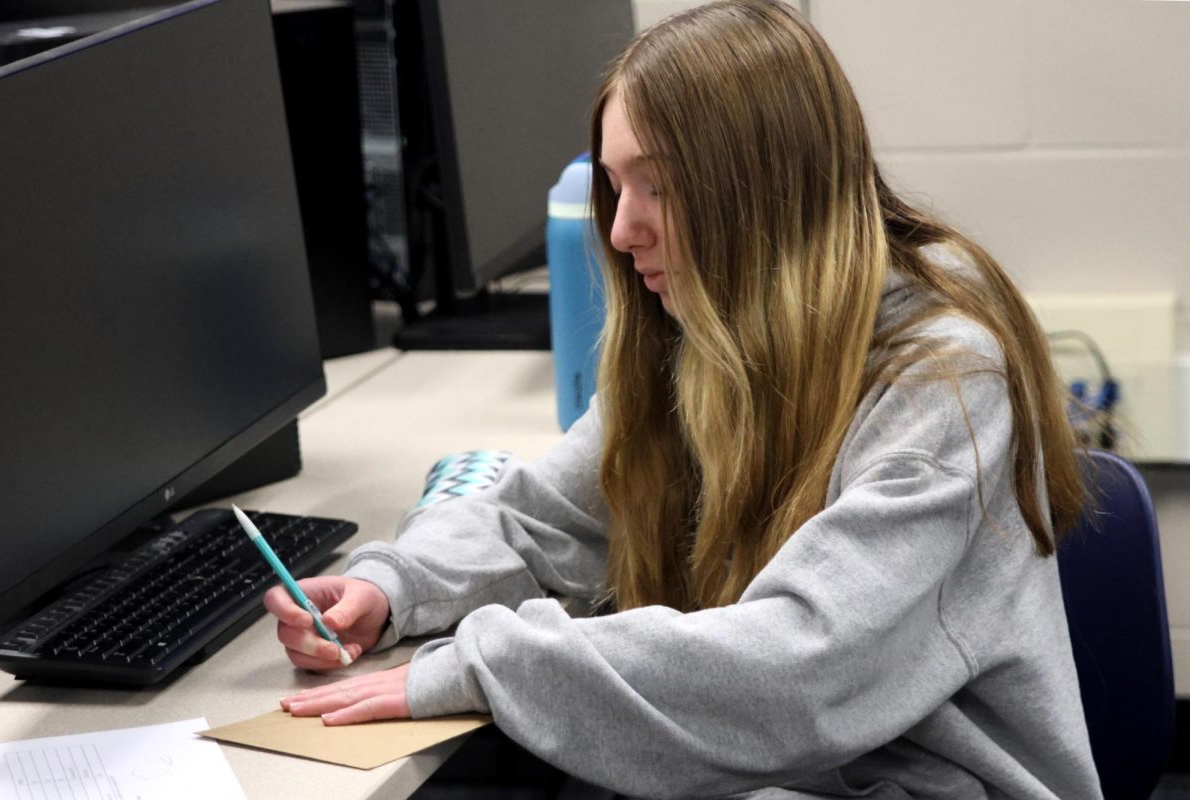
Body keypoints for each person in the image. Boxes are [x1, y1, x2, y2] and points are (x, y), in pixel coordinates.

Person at [264, 1, 1103, 797]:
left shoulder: (946, 383)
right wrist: (393, 586)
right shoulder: (705, 334)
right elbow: (543, 519)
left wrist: (480, 665)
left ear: (767, 194)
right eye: (615, 187)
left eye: (657, 186)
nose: (623, 231)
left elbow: (793, 669)